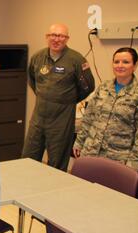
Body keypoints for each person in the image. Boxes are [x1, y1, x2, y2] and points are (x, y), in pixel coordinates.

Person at [22, 23, 95, 171]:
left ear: (67, 38)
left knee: (57, 162)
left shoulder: (76, 60)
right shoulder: (38, 57)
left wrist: (66, 99)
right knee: (28, 156)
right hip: (39, 116)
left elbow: (88, 86)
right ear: (47, 37)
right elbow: (32, 80)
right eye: (53, 35)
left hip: (62, 118)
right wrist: (46, 96)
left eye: (61, 36)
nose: (56, 39)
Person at [73, 47, 138, 171]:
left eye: (126, 62)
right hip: (90, 151)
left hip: (118, 158)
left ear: (135, 65)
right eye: (116, 62)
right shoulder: (104, 87)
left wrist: (134, 163)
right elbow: (89, 117)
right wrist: (79, 141)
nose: (120, 65)